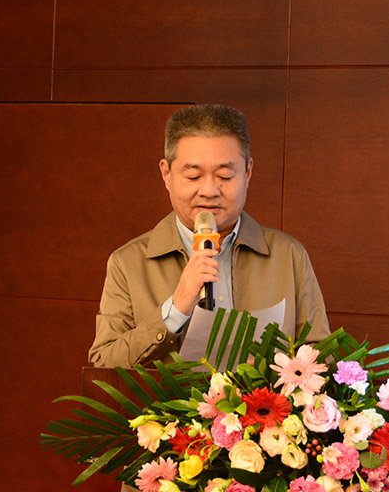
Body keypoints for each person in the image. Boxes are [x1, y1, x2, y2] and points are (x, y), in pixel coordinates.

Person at [88, 104, 330, 368]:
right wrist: (175, 310)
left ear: (248, 172)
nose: (209, 190)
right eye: (193, 176)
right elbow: (103, 366)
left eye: (225, 175)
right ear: (167, 174)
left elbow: (323, 359)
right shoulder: (128, 264)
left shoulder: (288, 256)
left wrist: (272, 372)